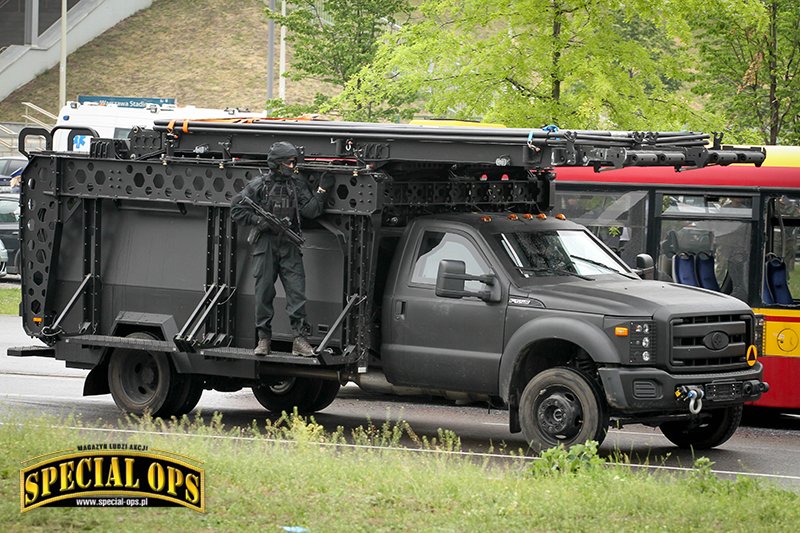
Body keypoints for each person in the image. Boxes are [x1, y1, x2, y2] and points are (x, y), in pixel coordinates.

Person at [231, 141, 333, 356]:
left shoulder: (297, 184)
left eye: (294, 161)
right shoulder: (259, 185)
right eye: (288, 162)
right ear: (277, 164)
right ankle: (264, 339)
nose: (292, 165)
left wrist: (323, 189)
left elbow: (311, 211)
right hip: (265, 243)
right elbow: (236, 210)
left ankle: (299, 339)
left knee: (297, 293)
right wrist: (260, 221)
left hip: (289, 243)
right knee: (264, 293)